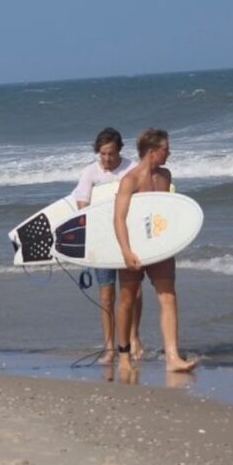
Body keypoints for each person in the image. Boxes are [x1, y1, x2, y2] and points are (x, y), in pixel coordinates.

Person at [114, 128, 198, 374]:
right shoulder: (130, 180)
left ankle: (172, 357)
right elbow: (119, 219)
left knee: (168, 296)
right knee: (128, 300)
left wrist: (173, 240)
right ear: (152, 152)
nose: (169, 153)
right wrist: (126, 251)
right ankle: (124, 357)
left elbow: (167, 211)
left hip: (159, 248)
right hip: (135, 248)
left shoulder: (165, 175)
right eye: (165, 149)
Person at [72, 127, 143, 364]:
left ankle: (134, 338)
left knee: (133, 293)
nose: (106, 159)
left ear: (120, 150)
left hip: (127, 239)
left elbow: (143, 200)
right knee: (106, 296)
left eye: (111, 154)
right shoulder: (90, 172)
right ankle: (109, 348)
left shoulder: (132, 168)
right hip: (102, 242)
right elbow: (82, 202)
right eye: (102, 154)